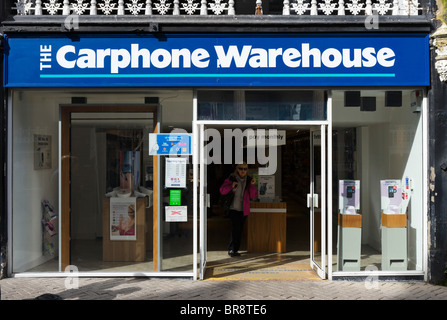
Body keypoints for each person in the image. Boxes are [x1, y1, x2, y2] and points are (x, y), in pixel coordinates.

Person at [219, 162, 257, 257]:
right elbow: (222, 191)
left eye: (245, 169)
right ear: (237, 169)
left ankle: (235, 249)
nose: (243, 171)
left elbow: (253, 195)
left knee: (239, 229)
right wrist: (231, 186)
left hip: (244, 209)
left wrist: (252, 185)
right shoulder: (231, 178)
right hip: (233, 208)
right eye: (241, 168)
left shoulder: (249, 180)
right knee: (236, 228)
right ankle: (232, 249)